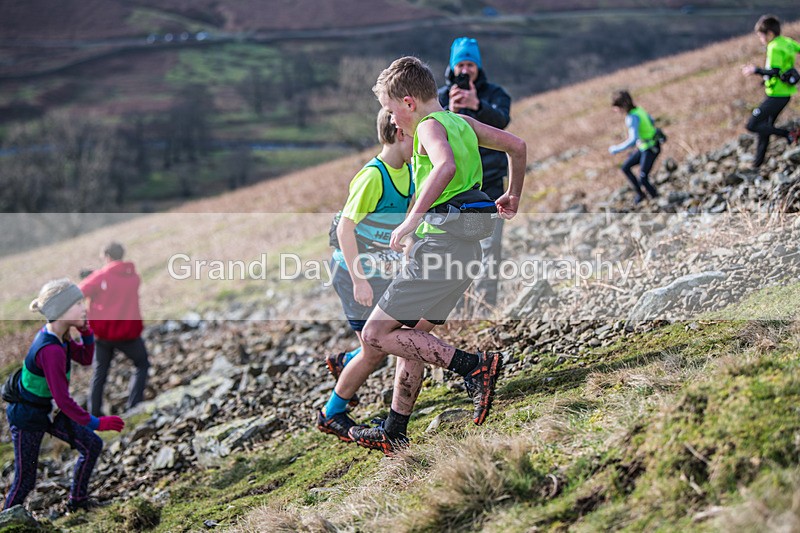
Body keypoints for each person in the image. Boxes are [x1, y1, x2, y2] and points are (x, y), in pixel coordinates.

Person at [317, 56, 526, 455]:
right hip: (467, 249)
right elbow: (517, 145)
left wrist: (410, 221)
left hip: (438, 245)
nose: (393, 121)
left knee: (377, 335)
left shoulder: (429, 126)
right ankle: (395, 429)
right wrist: (513, 193)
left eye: (392, 110)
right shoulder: (461, 123)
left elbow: (444, 166)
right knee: (411, 336)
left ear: (409, 102)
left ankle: (473, 367)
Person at [318, 108, 414, 440]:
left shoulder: (410, 171)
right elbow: (346, 230)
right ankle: (332, 413)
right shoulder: (373, 177)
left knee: (384, 337)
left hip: (378, 272)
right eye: (416, 134)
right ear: (400, 133)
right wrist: (359, 279)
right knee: (374, 350)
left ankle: (346, 361)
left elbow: (394, 225)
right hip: (351, 274)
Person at [3, 279, 125, 512]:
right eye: (77, 304)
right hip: (28, 416)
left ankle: (77, 502)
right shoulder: (50, 350)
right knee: (25, 480)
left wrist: (86, 333)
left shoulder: (62, 336)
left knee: (91, 446)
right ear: (60, 310)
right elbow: (64, 401)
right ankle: (8, 521)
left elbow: (86, 359)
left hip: (49, 410)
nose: (84, 307)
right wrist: (97, 422)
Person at [438, 37, 511, 307]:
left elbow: (503, 122)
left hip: (490, 183)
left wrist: (477, 106)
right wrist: (452, 112)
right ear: (452, 67)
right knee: (454, 249)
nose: (465, 70)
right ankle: (458, 304)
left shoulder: (495, 94)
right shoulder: (440, 98)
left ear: (478, 66)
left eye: (470, 64)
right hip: (453, 187)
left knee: (490, 247)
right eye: (461, 64)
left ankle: (484, 305)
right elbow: (431, 134)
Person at [79, 242, 149, 416]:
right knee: (142, 364)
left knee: (99, 374)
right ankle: (134, 406)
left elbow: (80, 292)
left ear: (107, 256)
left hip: (104, 334)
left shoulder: (100, 276)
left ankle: (94, 414)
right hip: (128, 333)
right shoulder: (134, 277)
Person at [741, 14, 800, 168]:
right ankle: (757, 163)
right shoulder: (787, 42)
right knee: (764, 128)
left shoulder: (773, 46)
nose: (761, 39)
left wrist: (756, 70)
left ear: (770, 34)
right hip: (784, 93)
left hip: (776, 95)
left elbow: (774, 71)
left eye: (761, 36)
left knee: (752, 124)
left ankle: (788, 134)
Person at [608, 90, 661, 204]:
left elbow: (632, 140)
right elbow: (651, 120)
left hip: (650, 148)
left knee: (643, 177)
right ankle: (640, 195)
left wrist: (616, 149)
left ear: (622, 106)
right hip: (646, 146)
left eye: (616, 107)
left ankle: (656, 199)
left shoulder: (631, 118)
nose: (615, 110)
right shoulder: (639, 110)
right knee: (625, 167)